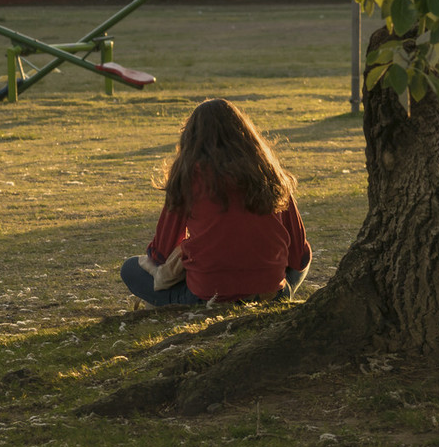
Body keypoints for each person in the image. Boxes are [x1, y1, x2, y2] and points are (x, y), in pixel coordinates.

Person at [120, 98, 312, 306]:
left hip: (207, 296)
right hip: (271, 293)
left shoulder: (187, 178)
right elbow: (298, 257)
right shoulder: (271, 175)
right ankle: (265, 291)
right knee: (302, 255)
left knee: (130, 269)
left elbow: (161, 252)